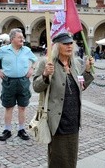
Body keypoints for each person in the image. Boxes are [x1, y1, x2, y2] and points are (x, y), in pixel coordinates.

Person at [33, 32, 94, 168]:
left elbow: (81, 85)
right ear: (57, 46)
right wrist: (45, 75)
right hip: (57, 121)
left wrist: (87, 71)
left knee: (71, 159)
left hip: (73, 120)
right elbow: (36, 87)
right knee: (57, 159)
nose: (69, 46)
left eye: (71, 43)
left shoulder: (76, 63)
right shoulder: (47, 62)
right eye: (65, 43)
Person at [0, 28, 38, 141]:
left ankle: (21, 130)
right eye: (19, 37)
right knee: (8, 107)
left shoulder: (26, 50)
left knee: (22, 107)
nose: (22, 39)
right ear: (12, 39)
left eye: (22, 37)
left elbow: (35, 60)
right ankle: (7, 130)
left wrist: (32, 69)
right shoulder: (4, 50)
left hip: (23, 82)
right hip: (8, 82)